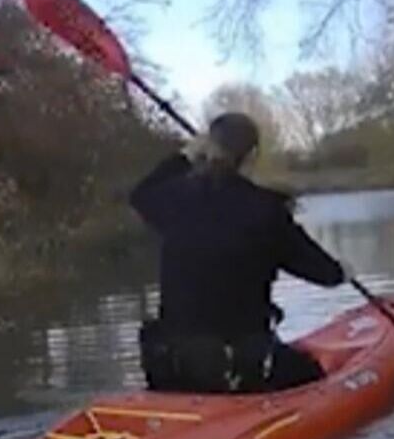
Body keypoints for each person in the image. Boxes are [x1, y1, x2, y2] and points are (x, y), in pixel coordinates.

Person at [129, 112, 347, 394]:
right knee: (312, 374)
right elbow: (320, 270)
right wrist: (342, 271)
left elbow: (140, 195)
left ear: (208, 147)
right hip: (242, 371)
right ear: (252, 155)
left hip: (171, 368)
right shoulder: (267, 211)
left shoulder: (173, 199)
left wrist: (186, 155)